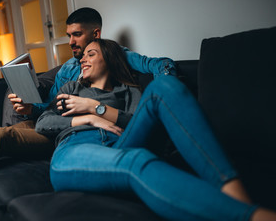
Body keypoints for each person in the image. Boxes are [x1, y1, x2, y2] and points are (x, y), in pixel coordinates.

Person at [0, 7, 174, 198]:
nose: (70, 42)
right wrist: (30, 108)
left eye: (77, 35)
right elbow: (50, 109)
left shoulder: (115, 58)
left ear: (95, 34)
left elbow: (154, 66)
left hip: (65, 134)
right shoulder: (70, 71)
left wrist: (166, 78)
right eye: (68, 35)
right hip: (50, 124)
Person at [35, 39, 276, 221]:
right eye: (83, 56)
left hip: (120, 142)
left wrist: (97, 108)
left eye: (91, 54)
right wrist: (86, 120)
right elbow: (43, 123)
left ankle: (234, 193)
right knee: (136, 159)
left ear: (108, 58)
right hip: (77, 148)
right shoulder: (71, 87)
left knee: (165, 85)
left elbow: (140, 123)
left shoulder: (129, 91)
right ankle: (252, 216)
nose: (82, 59)